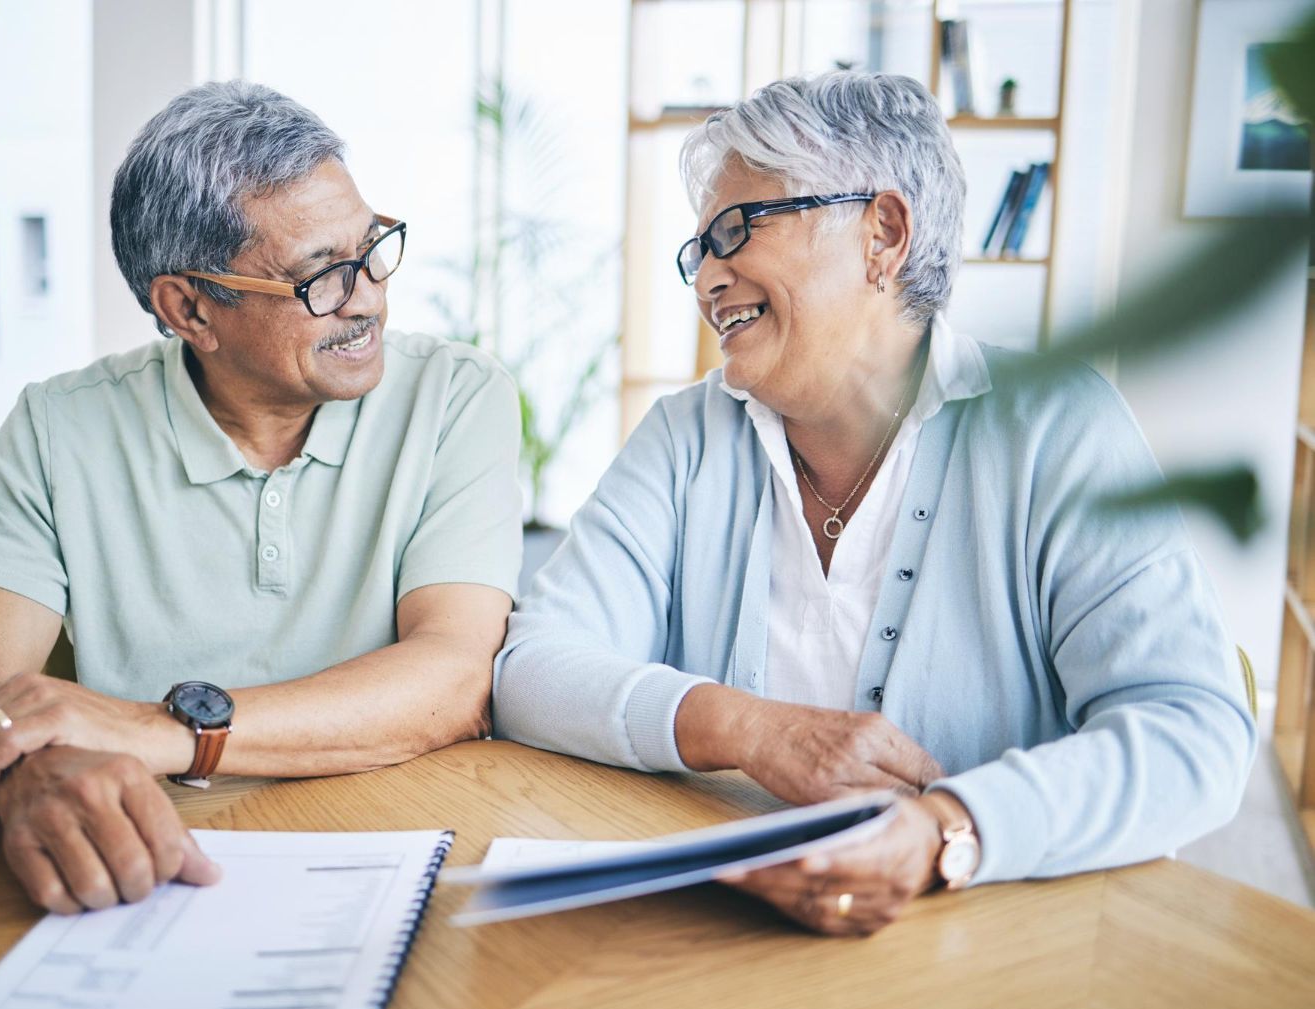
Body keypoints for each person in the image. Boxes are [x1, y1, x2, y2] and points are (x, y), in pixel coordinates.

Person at [492, 71, 1254, 935]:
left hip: (993, 952)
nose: (706, 278)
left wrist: (946, 831)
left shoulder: (1056, 426)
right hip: (720, 938)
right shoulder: (686, 435)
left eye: (736, 230)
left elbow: (1194, 733)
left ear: (883, 234)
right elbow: (531, 669)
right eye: (697, 249)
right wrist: (748, 728)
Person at [0, 82, 522, 914]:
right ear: (188, 307)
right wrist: (29, 768)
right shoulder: (60, 426)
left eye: (371, 247)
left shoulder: (455, 396)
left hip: (404, 844)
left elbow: (453, 679)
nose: (367, 294)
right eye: (320, 277)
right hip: (154, 868)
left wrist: (158, 732)